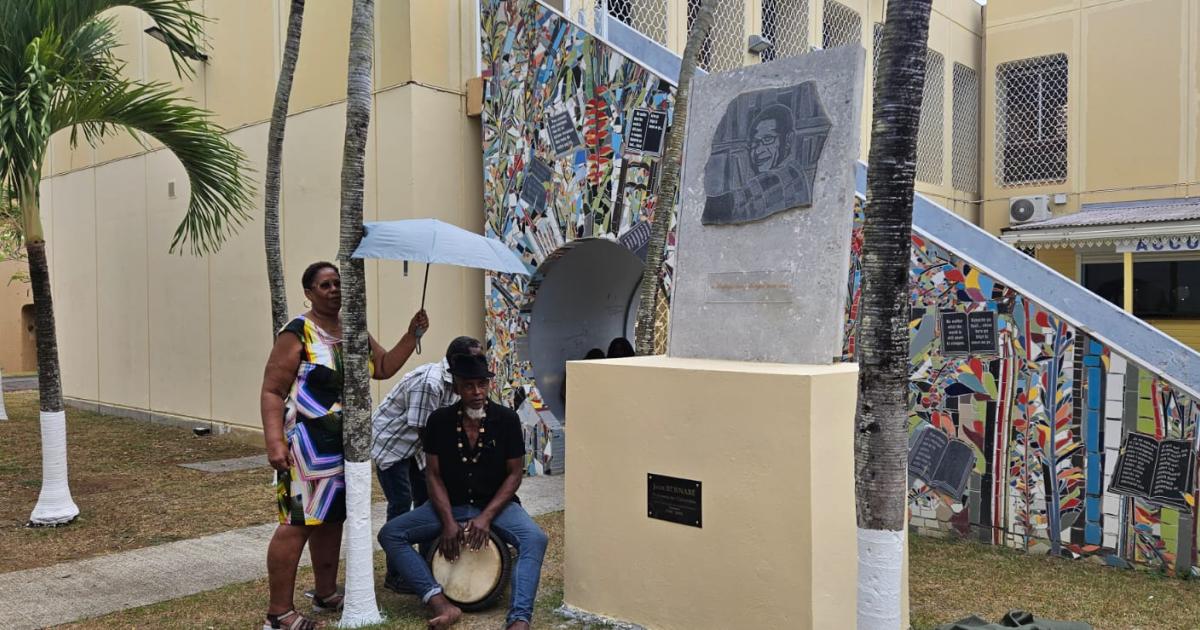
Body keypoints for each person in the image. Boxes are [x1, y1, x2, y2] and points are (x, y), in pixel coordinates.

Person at [259, 261, 428, 630]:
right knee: (297, 523)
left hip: (344, 448)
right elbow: (273, 390)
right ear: (308, 292)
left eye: (337, 283)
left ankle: (325, 592)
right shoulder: (297, 332)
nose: (334, 289)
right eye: (324, 285)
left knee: (332, 519)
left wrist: (412, 334)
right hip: (305, 447)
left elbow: (381, 366)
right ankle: (279, 613)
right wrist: (274, 441)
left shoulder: (354, 330)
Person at [378, 353, 548, 630]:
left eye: (482, 384)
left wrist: (486, 517)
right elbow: (432, 474)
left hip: (496, 505)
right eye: (469, 385)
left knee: (535, 538)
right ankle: (440, 602)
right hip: (450, 504)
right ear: (456, 386)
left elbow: (515, 474)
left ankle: (519, 618)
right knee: (391, 533)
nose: (477, 392)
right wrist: (447, 521)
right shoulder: (439, 421)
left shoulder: (506, 420)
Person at [371, 335, 484, 592]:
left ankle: (427, 564)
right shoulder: (431, 384)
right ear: (455, 362)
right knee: (401, 504)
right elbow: (424, 430)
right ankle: (396, 574)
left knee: (428, 503)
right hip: (394, 445)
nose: (478, 364)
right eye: (473, 359)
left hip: (417, 448)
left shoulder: (459, 382)